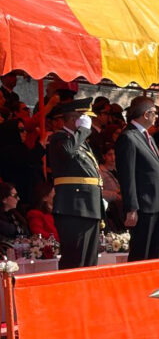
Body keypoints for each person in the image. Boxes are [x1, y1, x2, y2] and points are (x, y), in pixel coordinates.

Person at [46, 98, 103, 269]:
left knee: (89, 260)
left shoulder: (78, 141)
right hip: (73, 206)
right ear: (74, 119)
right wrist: (83, 130)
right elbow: (68, 151)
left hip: (89, 205)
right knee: (75, 260)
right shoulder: (59, 138)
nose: (89, 121)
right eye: (85, 117)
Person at [117, 96, 159, 261]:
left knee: (156, 254)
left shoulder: (148, 137)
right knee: (141, 254)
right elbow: (127, 175)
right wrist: (131, 208)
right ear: (146, 114)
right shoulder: (128, 137)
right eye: (154, 113)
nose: (156, 116)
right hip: (143, 206)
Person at [0, 182, 28, 250]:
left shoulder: (15, 215)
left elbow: (27, 234)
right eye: (15, 196)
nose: (18, 198)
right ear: (4, 199)